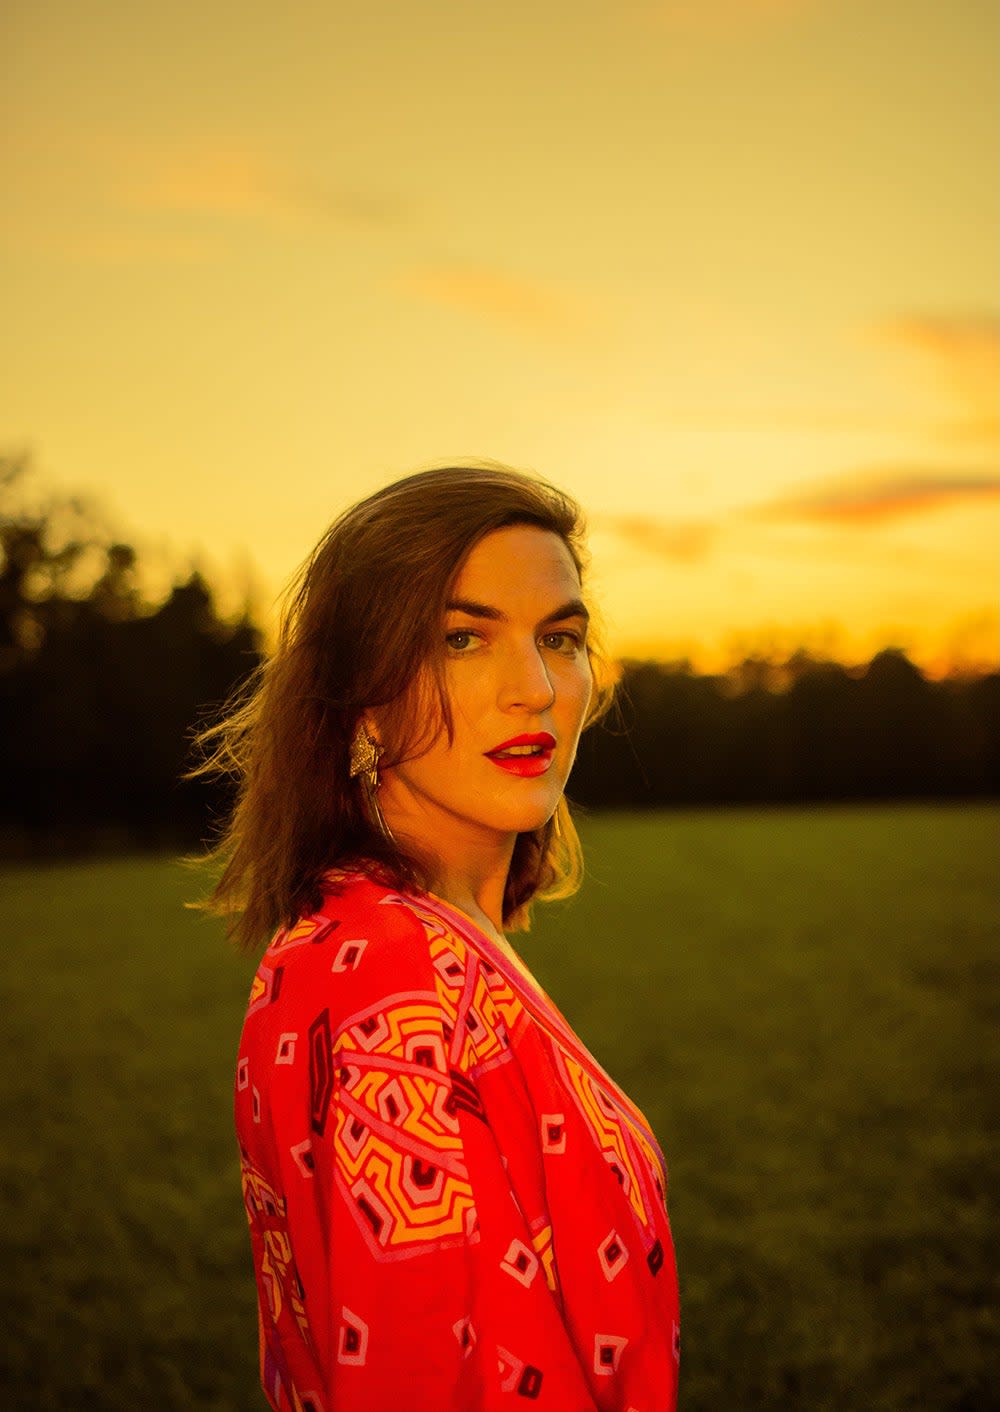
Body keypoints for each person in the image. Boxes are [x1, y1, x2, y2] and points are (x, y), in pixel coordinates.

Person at [197, 463, 680, 1411]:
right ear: (364, 697)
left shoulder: (377, 931)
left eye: (562, 638)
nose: (535, 688)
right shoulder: (401, 980)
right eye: (463, 639)